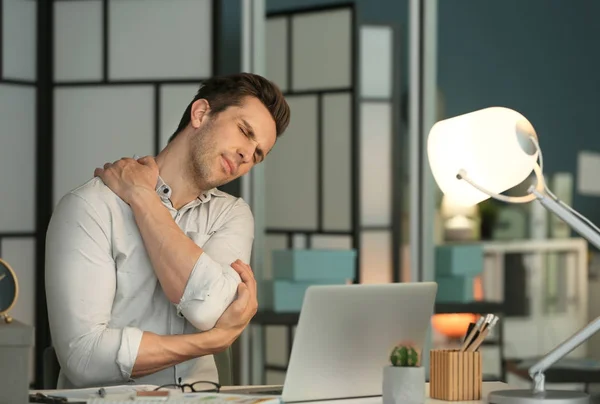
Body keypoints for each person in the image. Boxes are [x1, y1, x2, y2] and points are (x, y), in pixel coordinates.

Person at [45, 73, 291, 389]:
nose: (247, 154)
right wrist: (210, 342)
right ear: (201, 113)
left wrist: (143, 197)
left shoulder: (232, 214)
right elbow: (83, 359)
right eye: (245, 131)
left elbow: (208, 308)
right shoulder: (90, 206)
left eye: (258, 154)